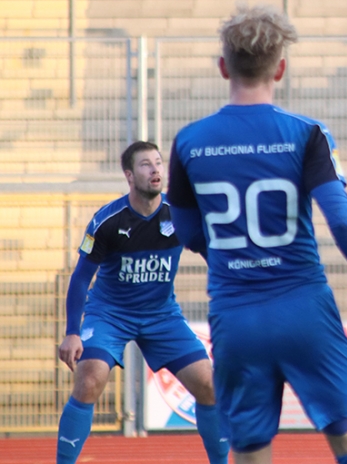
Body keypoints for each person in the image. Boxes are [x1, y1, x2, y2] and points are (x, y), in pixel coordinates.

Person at [167, 5, 347, 464]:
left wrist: (233, 255)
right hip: (304, 308)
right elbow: (341, 219)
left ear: (224, 67)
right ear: (280, 69)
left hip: (236, 316)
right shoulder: (306, 133)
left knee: (249, 453)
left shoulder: (188, 141)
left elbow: (186, 231)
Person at [56, 141, 228, 464]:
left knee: (209, 385)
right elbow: (80, 279)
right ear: (129, 176)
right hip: (110, 314)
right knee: (89, 379)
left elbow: (215, 259)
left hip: (162, 315)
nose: (155, 170)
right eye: (146, 165)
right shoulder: (107, 220)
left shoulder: (181, 215)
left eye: (159, 163)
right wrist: (72, 332)